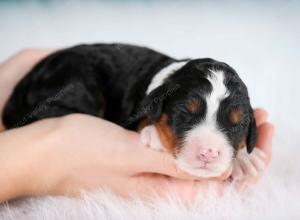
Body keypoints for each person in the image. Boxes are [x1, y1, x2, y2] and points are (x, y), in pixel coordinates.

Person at [0, 49, 274, 203]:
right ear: (156, 106)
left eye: (233, 127)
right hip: (72, 72)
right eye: (186, 115)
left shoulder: (173, 93)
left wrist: (239, 155)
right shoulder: (158, 96)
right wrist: (38, 154)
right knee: (79, 92)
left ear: (249, 132)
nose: (209, 151)